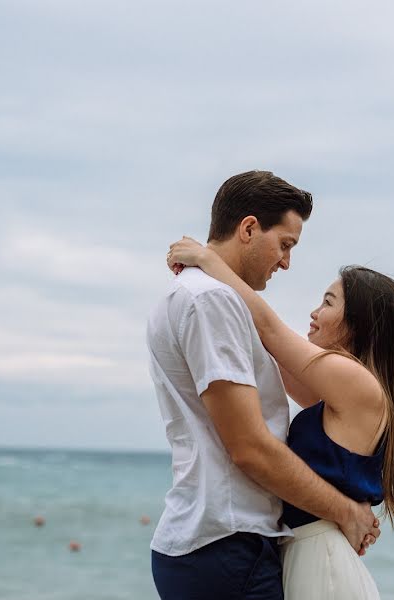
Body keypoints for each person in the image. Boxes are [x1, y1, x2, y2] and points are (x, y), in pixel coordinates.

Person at [166, 236, 394, 599]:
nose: (314, 312)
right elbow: (267, 347)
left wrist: (210, 261)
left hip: (320, 557)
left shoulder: (353, 381)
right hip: (312, 551)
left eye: (328, 302)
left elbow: (272, 331)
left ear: (355, 324)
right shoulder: (348, 388)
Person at [146, 171, 380, 600]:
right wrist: (346, 512)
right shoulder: (211, 301)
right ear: (249, 228)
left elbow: (281, 346)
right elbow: (250, 447)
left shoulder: (200, 296)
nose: (287, 262)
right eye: (285, 244)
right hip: (227, 540)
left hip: (221, 539)